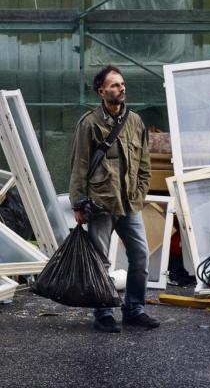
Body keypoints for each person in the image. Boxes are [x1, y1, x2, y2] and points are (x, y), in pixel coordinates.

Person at [69, 64, 160, 333]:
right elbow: (79, 165)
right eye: (114, 85)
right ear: (101, 91)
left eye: (122, 84)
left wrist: (140, 192)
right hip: (101, 203)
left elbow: (144, 163)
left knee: (140, 256)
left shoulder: (134, 121)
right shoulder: (89, 123)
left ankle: (134, 309)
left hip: (130, 203)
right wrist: (78, 204)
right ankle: (103, 312)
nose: (121, 89)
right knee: (101, 260)